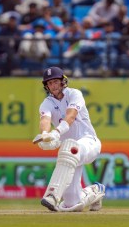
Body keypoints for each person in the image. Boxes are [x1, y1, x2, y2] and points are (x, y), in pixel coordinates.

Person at [33, 67, 105, 212]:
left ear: (62, 82)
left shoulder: (74, 94)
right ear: (46, 86)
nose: (53, 85)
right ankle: (95, 191)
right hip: (70, 155)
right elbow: (45, 120)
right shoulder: (46, 103)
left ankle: (52, 196)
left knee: (69, 148)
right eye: (49, 83)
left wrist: (57, 132)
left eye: (55, 82)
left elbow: (70, 117)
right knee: (72, 203)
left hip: (89, 142)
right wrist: (45, 134)